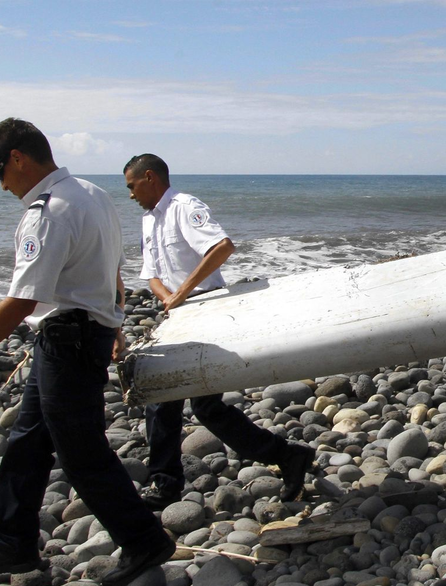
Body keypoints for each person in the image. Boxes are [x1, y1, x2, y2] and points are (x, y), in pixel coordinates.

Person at [0, 119, 174, 586]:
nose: (1, 185)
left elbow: (21, 301)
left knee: (81, 453)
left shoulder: (50, 210)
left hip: (68, 340)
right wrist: (113, 321)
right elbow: (109, 267)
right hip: (75, 335)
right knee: (28, 442)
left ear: (17, 158)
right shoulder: (91, 194)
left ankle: (143, 539)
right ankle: (13, 542)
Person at [123, 154, 315, 508]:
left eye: (132, 186)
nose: (130, 195)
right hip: (177, 314)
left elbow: (221, 247)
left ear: (149, 177)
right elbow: (151, 272)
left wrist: (182, 294)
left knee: (190, 402)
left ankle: (166, 484)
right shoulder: (149, 220)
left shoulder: (184, 207)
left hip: (206, 308)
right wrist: (169, 298)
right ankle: (285, 456)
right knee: (178, 401)